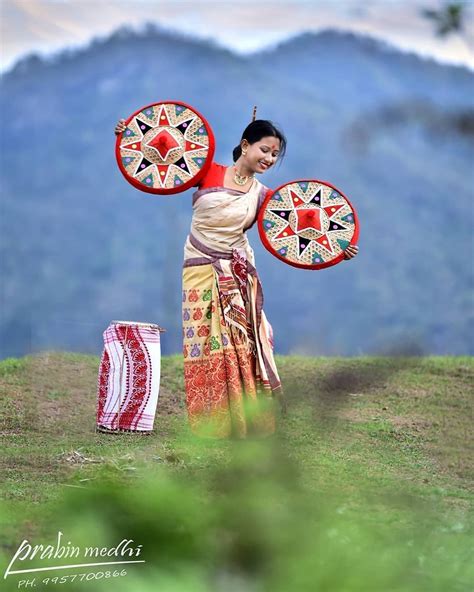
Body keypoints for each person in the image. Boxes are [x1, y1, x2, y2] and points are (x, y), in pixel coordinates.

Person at [114, 116, 358, 439]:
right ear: (245, 145)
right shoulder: (207, 172)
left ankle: (249, 419)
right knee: (205, 342)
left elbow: (302, 227)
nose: (269, 159)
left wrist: (338, 249)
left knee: (244, 341)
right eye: (265, 150)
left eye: (275, 155)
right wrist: (129, 135)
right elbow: (163, 156)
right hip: (199, 269)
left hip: (237, 273)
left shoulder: (264, 196)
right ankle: (214, 423)